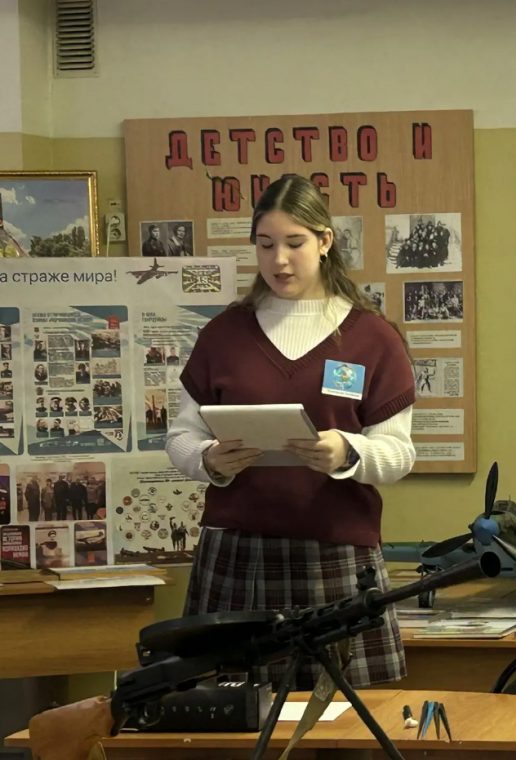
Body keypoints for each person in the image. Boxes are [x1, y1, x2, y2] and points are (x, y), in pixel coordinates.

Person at [165, 175, 416, 690]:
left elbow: (399, 452)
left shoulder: (373, 337)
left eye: (294, 243)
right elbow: (180, 437)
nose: (279, 261)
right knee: (234, 717)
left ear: (325, 241)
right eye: (265, 245)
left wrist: (348, 452)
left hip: (336, 554)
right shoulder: (224, 334)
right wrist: (207, 459)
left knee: (342, 720)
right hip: (237, 555)